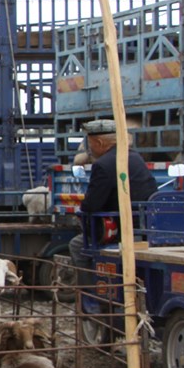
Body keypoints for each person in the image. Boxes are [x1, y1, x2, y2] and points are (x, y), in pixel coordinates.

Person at [68, 120, 158, 311]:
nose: (89, 149)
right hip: (144, 226)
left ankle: (89, 298)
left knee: (76, 244)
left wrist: (82, 211)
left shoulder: (104, 164)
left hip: (121, 231)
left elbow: (91, 204)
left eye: (89, 144)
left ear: (99, 143)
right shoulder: (135, 158)